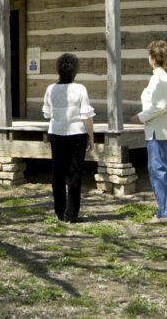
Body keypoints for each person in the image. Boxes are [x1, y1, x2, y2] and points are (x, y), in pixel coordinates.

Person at [130, 39, 167, 224]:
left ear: (153, 58)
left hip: (160, 129)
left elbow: (158, 107)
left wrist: (140, 117)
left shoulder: (159, 78)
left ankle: (164, 212)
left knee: (157, 171)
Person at [42, 52, 95, 223]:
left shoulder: (51, 89)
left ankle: (59, 211)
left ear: (58, 70)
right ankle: (71, 213)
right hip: (77, 134)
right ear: (75, 71)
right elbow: (86, 115)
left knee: (58, 173)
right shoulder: (80, 89)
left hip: (56, 133)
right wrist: (91, 136)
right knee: (74, 174)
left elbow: (47, 113)